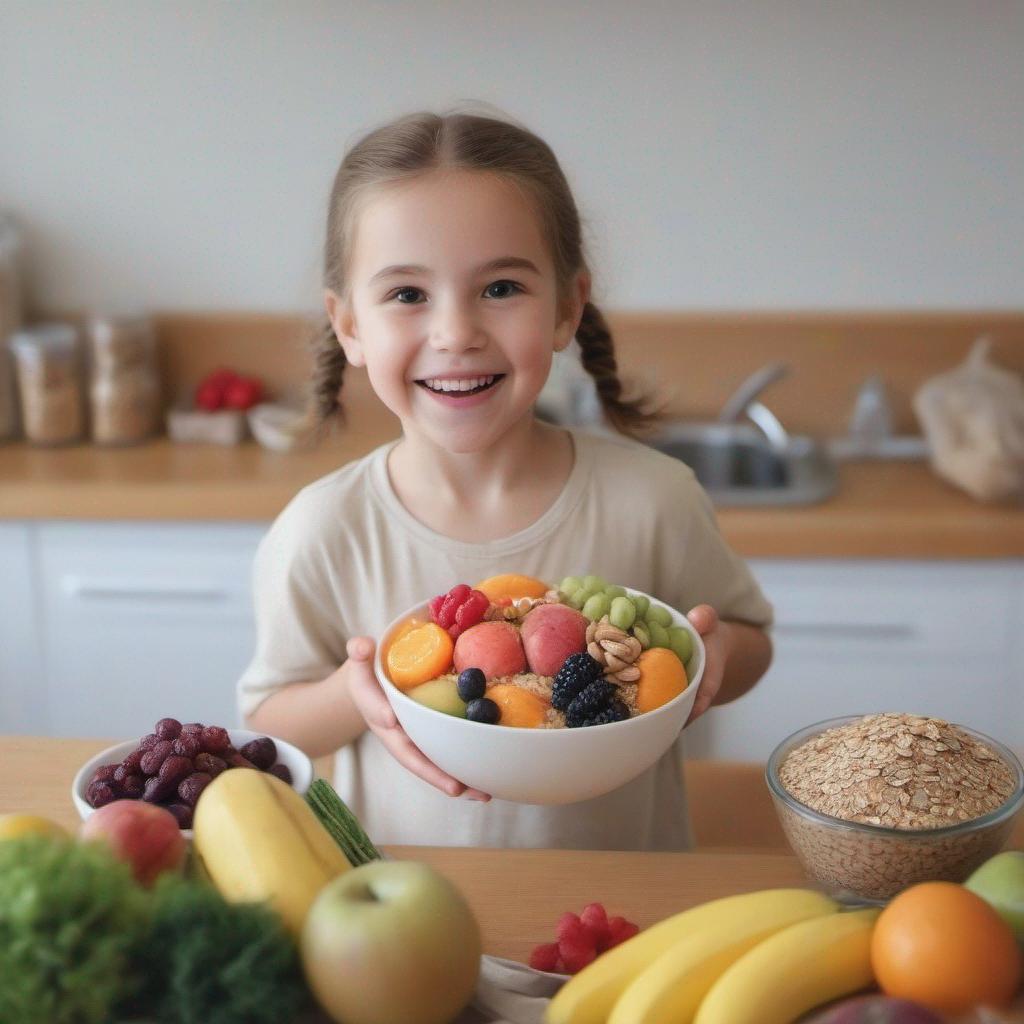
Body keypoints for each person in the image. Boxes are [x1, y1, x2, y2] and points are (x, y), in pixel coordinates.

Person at [240, 108, 773, 851]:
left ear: (565, 308)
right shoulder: (324, 527)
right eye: (407, 294)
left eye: (499, 289)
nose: (456, 332)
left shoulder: (655, 498)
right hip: (402, 914)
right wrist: (366, 694)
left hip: (628, 918)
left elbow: (751, 639)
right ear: (350, 325)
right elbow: (269, 716)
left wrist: (712, 660)